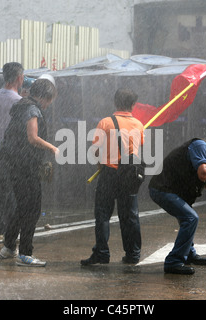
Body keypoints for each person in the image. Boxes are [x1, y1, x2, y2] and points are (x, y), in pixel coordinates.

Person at [148, 132, 206, 275]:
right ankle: (173, 262)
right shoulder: (200, 145)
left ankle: (189, 253)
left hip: (174, 191)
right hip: (161, 189)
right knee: (191, 218)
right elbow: (203, 173)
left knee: (188, 218)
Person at [0, 75, 58, 267]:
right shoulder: (32, 109)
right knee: (32, 209)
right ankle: (25, 253)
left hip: (15, 164)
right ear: (43, 97)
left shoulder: (22, 106)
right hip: (25, 166)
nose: (49, 104)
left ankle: (8, 246)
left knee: (21, 206)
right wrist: (52, 148)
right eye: (49, 100)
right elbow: (32, 138)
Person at [81, 88, 144, 266]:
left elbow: (95, 151)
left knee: (102, 215)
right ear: (133, 105)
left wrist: (101, 165)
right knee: (130, 215)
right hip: (130, 175)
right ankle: (133, 254)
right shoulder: (139, 125)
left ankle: (102, 253)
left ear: (115, 102)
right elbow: (137, 151)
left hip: (109, 173)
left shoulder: (105, 123)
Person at [0, 62, 24, 239]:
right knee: (13, 190)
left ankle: (0, 227)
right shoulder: (17, 100)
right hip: (13, 149)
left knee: (2, 189)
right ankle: (11, 228)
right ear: (19, 78)